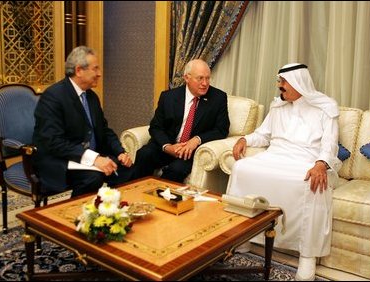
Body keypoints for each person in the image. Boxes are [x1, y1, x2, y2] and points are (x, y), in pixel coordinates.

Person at [227, 63, 341, 281]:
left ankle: (307, 254)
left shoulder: (326, 107)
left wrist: (321, 163)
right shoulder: (278, 106)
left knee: (313, 182)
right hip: (275, 157)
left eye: (283, 82)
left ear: (298, 82)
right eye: (279, 81)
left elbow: (329, 144)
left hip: (307, 161)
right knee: (241, 168)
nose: (279, 86)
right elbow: (263, 135)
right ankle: (243, 236)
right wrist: (245, 139)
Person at [33, 46, 134, 197]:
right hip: (60, 160)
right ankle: (78, 217)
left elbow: (104, 130)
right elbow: (53, 142)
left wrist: (120, 152)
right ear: (79, 70)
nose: (99, 74)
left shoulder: (91, 96)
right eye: (95, 69)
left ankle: (109, 212)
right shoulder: (53, 97)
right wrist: (94, 159)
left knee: (127, 169)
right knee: (92, 178)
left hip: (87, 157)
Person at [133, 59, 230, 183]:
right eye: (200, 78)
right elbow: (155, 127)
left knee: (176, 169)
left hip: (189, 152)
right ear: (187, 78)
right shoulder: (168, 97)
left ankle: (159, 198)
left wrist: (196, 140)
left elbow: (222, 130)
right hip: (169, 145)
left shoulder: (218, 98)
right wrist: (167, 147)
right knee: (144, 154)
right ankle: (136, 192)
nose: (205, 83)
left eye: (207, 78)